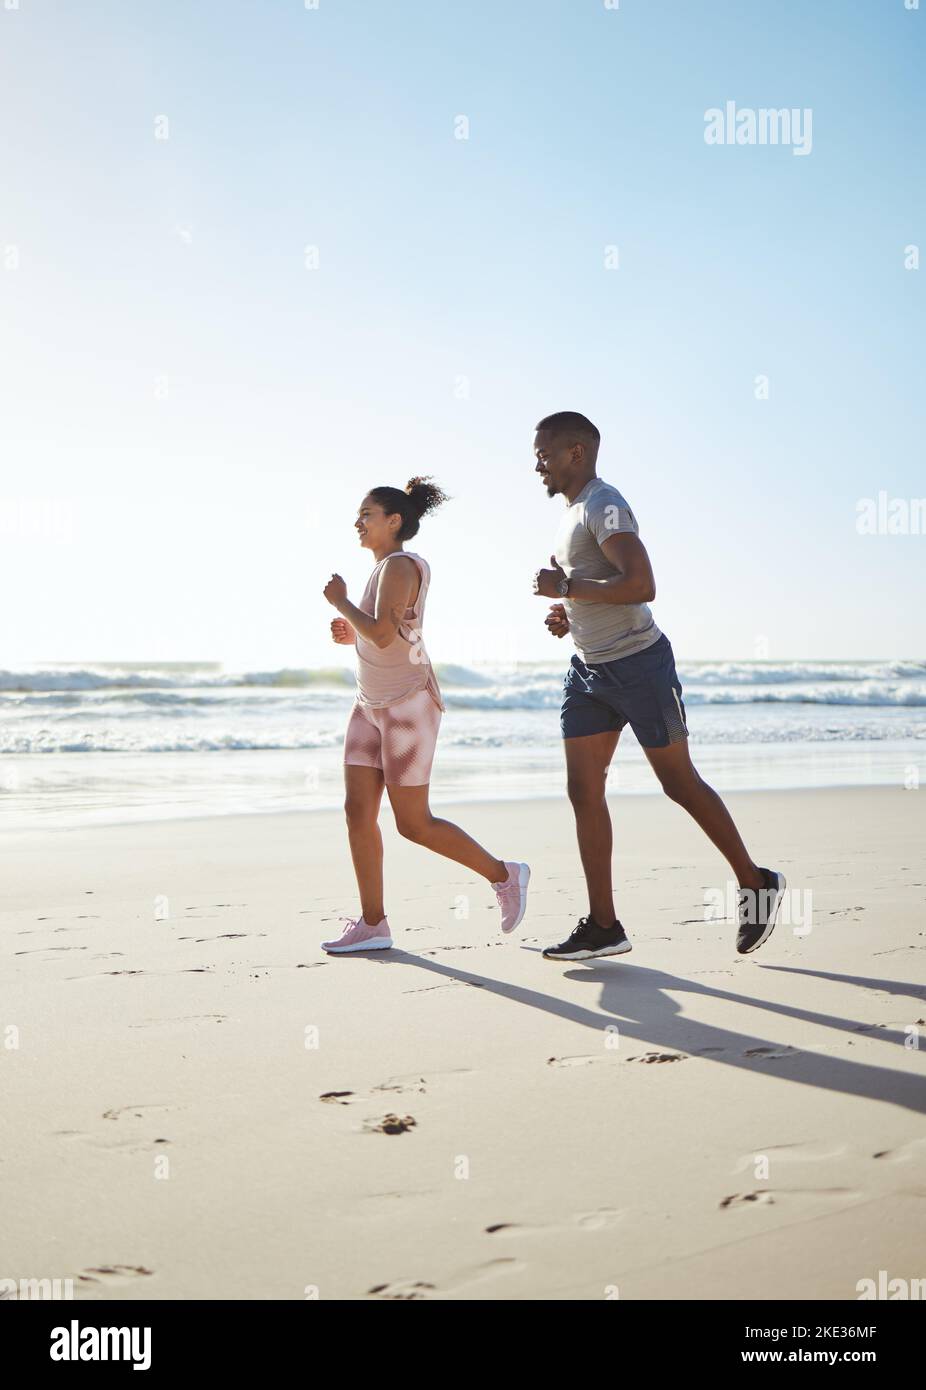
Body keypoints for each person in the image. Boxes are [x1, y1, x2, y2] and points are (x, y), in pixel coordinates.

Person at [531, 412, 785, 961]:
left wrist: (569, 585)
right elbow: (600, 588)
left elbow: (641, 584)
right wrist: (568, 611)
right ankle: (604, 926)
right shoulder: (569, 514)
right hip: (589, 672)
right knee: (583, 791)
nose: (537, 463)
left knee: (679, 785)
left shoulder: (605, 504)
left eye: (545, 453)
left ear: (577, 453)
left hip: (641, 666)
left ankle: (755, 880)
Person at [321, 476, 530, 953]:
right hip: (368, 705)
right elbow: (380, 635)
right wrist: (350, 630)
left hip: (408, 707)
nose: (359, 522)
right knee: (357, 813)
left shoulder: (400, 565)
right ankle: (373, 924)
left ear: (394, 521)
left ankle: (505, 875)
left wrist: (342, 604)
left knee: (413, 824)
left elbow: (381, 634)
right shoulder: (382, 570)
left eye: (367, 514)